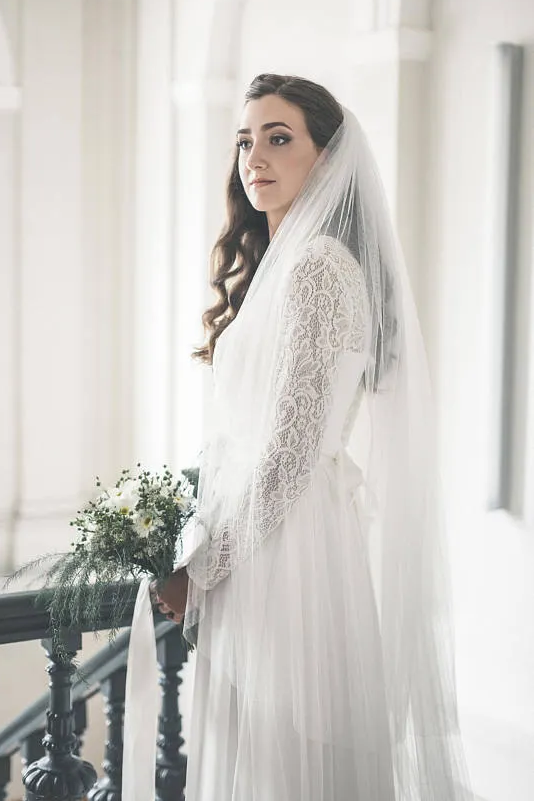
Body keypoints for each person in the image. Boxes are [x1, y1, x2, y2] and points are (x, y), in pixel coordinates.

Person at [149, 74, 475, 800]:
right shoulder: (286, 264)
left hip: (291, 551)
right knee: (261, 753)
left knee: (285, 759)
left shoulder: (320, 268)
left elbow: (289, 452)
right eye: (245, 140)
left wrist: (198, 570)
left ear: (326, 159)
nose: (253, 157)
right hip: (265, 540)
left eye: (278, 138)